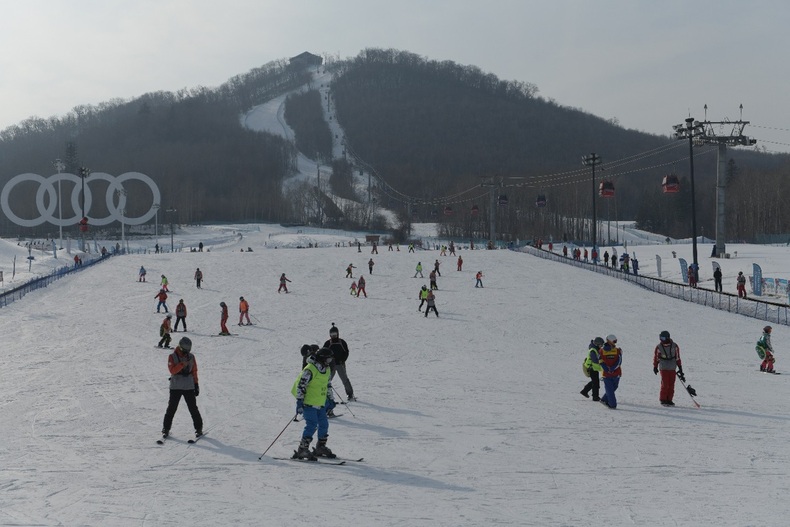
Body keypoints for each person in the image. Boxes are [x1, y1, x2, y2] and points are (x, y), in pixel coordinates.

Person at [292, 347, 336, 460]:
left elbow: (328, 385)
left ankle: (321, 447)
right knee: (311, 425)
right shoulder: (310, 369)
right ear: (322, 359)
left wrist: (331, 399)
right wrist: (299, 401)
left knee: (324, 424)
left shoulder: (326, 369)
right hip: (308, 403)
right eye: (328, 360)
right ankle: (302, 449)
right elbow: (301, 385)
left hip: (320, 403)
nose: (329, 362)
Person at [161, 337, 203, 439]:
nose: (186, 353)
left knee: (193, 408)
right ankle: (166, 428)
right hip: (176, 386)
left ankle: (198, 428)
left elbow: (194, 371)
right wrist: (182, 364)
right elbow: (172, 371)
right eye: (185, 350)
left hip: (188, 386)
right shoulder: (172, 356)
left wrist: (196, 384)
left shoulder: (191, 357)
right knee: (171, 408)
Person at [323, 323, 355, 402]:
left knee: (345, 379)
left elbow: (346, 352)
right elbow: (323, 352)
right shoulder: (328, 343)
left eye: (335, 334)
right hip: (331, 365)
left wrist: (343, 360)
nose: (334, 336)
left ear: (338, 333)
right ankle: (325, 395)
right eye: (332, 334)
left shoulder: (342, 342)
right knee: (327, 380)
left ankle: (350, 394)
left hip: (340, 364)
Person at [653, 330, 684, 406]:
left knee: (671, 384)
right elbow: (656, 357)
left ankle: (669, 399)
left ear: (667, 338)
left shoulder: (674, 346)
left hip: (672, 367)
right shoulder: (659, 347)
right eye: (660, 338)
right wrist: (655, 366)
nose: (661, 340)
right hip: (664, 367)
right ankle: (663, 399)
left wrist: (680, 367)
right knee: (665, 384)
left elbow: (677, 357)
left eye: (663, 338)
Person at [599, 340, 622, 409]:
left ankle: (604, 399)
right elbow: (600, 360)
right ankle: (612, 404)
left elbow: (619, 361)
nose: (615, 343)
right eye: (614, 341)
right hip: (607, 374)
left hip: (616, 373)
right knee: (610, 389)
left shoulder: (617, 350)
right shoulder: (602, 351)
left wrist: (612, 368)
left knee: (614, 387)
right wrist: (606, 369)